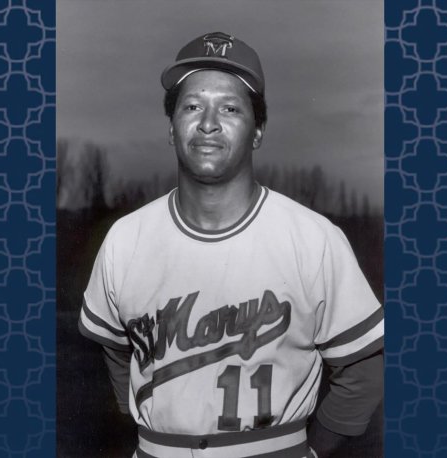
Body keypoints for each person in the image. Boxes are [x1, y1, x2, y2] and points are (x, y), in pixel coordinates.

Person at [79, 31, 383, 458]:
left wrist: (313, 449)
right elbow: (114, 350)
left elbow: (364, 370)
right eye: (191, 106)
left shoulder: (313, 239)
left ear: (258, 130)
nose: (208, 123)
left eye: (230, 108)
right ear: (171, 128)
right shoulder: (125, 240)